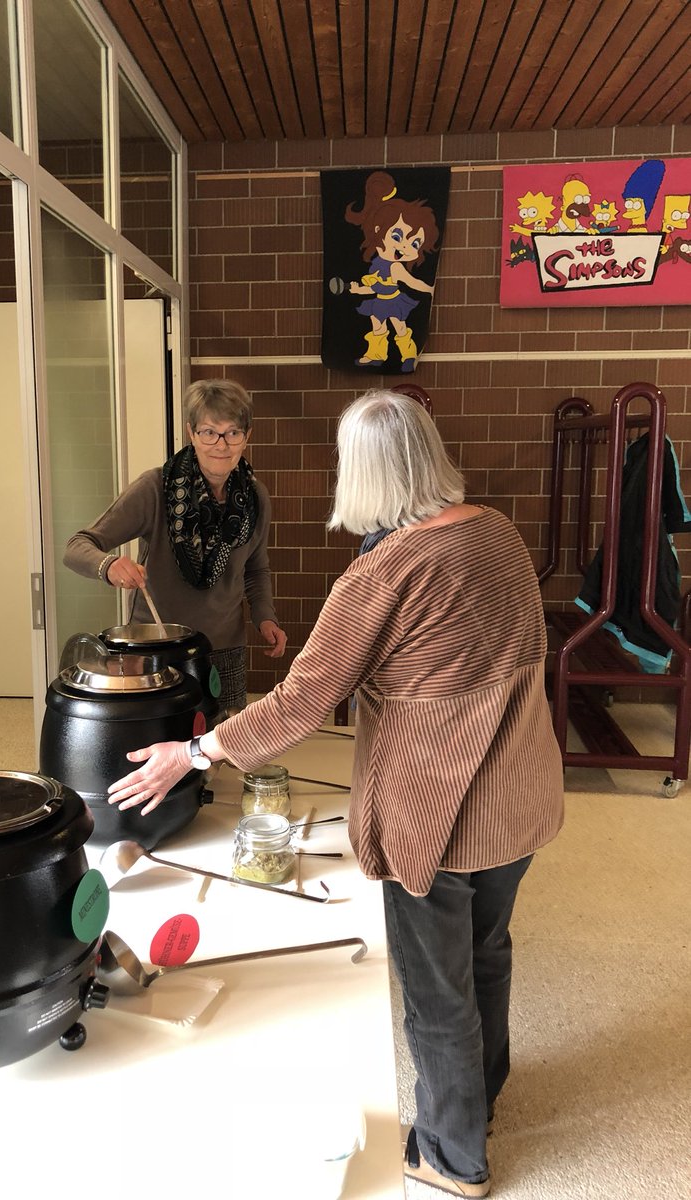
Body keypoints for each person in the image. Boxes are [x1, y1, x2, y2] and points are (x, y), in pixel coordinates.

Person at [106, 389, 565, 1198]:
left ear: (364, 473)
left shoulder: (383, 570)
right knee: (488, 951)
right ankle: (478, 1100)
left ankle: (454, 1156)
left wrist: (196, 749)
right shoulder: (496, 532)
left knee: (436, 986)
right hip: (519, 792)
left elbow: (301, 701)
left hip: (440, 811)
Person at [63, 378, 287, 712]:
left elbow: (255, 568)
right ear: (191, 433)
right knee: (158, 746)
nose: (221, 445)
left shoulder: (256, 497)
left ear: (247, 436)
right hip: (156, 646)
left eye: (233, 433)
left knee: (221, 746)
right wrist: (108, 566)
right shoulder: (155, 488)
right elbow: (77, 546)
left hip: (223, 648)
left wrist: (265, 617)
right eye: (209, 432)